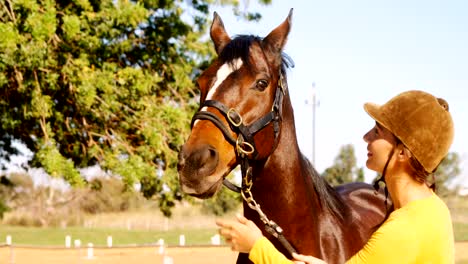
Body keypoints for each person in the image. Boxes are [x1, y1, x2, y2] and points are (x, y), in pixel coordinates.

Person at [216, 90, 455, 264]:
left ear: (403, 152)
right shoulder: (434, 209)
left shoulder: (404, 229)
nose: (366, 137)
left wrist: (256, 246)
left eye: (377, 131)